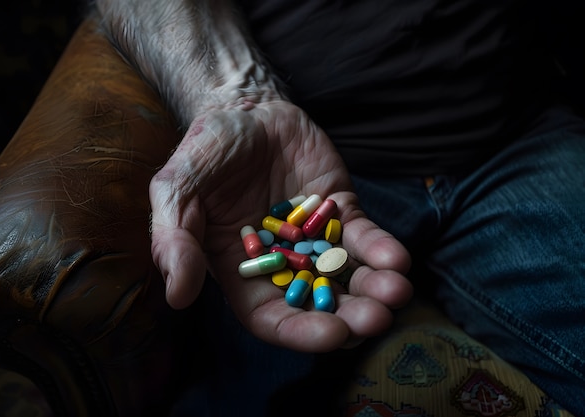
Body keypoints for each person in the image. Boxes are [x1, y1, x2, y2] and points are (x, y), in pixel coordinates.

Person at [93, 0, 585, 414]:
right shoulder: (286, 221)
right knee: (241, 393)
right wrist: (238, 97)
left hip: (515, 128)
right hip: (296, 164)